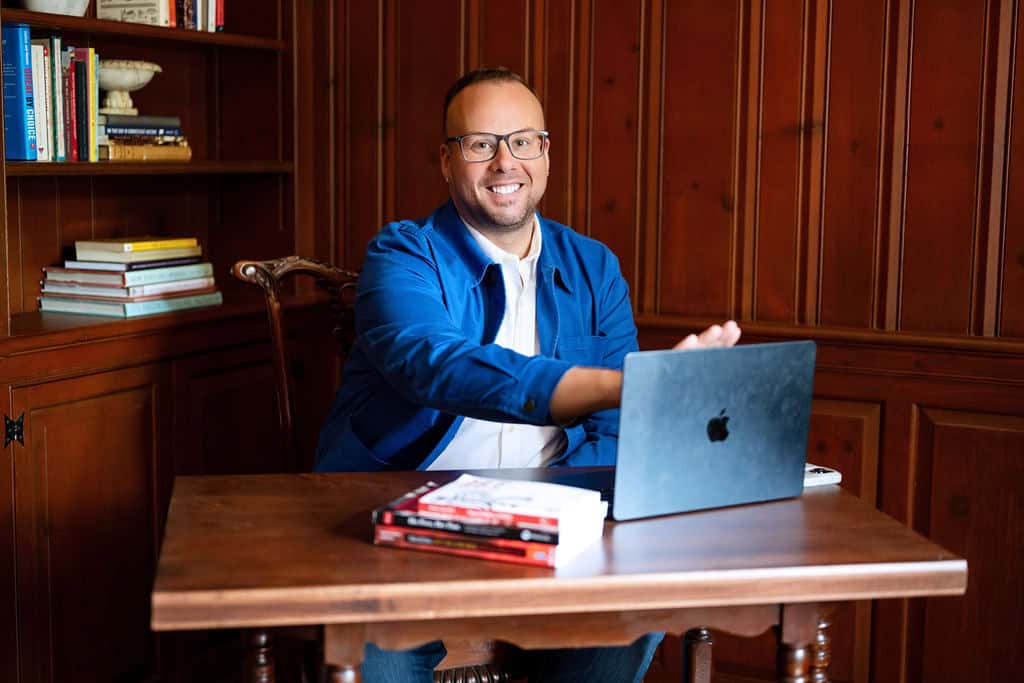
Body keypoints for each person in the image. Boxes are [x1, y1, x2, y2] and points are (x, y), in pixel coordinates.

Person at [316, 67, 741, 683]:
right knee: (375, 654)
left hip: (555, 517)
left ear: (544, 152)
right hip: (402, 519)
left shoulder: (593, 266)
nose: (503, 163)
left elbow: (617, 431)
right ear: (446, 160)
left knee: (635, 611)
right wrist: (632, 383)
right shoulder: (402, 253)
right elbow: (431, 364)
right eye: (480, 144)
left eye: (522, 141)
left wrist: (592, 492)